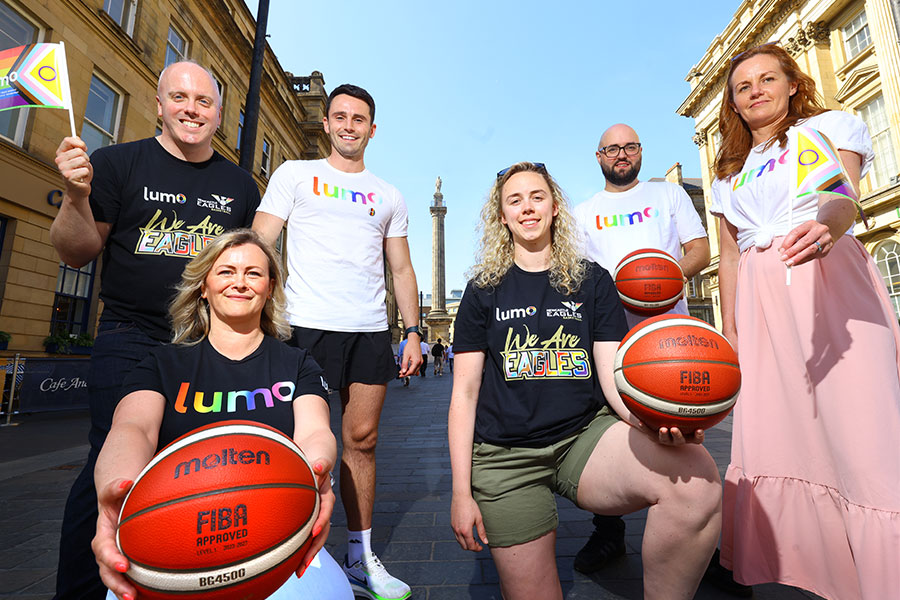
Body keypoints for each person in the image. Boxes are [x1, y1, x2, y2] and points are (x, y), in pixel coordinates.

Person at [449, 162, 722, 600]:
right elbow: (464, 394)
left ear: (555, 207)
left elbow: (612, 374)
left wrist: (648, 423)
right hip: (505, 456)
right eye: (514, 200)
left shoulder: (592, 280)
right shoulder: (483, 289)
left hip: (582, 437)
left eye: (537, 196)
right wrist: (461, 492)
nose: (527, 208)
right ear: (501, 216)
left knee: (697, 477)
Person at [50, 60, 261, 600]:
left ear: (218, 114)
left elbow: (250, 271)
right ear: (159, 104)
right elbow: (76, 250)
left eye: (204, 101)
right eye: (180, 98)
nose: (192, 109)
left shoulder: (239, 184)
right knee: (113, 468)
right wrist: (76, 195)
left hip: (205, 347)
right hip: (132, 338)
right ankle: (80, 589)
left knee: (199, 471)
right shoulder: (117, 163)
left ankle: (181, 581)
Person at [710, 43, 900, 600]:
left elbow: (843, 196)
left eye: (768, 79)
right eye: (743, 88)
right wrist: (733, 332)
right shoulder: (728, 174)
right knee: (782, 435)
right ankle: (818, 570)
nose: (756, 92)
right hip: (761, 306)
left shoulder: (825, 129)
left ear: (793, 84)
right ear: (735, 105)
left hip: (826, 285)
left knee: (862, 431)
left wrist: (829, 228)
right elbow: (730, 257)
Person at [91, 229, 351, 600]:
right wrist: (115, 490)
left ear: (270, 287)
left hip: (276, 538)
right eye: (226, 271)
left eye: (254, 273)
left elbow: (314, 430)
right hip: (172, 541)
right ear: (203, 285)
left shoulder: (297, 363)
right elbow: (133, 428)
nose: (240, 283)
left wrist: (317, 468)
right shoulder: (162, 363)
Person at [252, 84, 421, 600]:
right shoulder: (295, 175)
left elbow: (401, 267)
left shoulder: (389, 194)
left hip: (369, 329)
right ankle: (290, 548)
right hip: (304, 325)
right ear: (326, 124)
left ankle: (359, 554)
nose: (350, 125)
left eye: (360, 118)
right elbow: (260, 239)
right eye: (340, 116)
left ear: (373, 129)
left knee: (362, 441)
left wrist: (412, 331)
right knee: (299, 440)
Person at [571, 124, 711, 573]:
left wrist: (664, 280)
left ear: (640, 151)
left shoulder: (669, 196)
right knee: (611, 423)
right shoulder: (583, 212)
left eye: (629, 146)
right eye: (611, 148)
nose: (621, 154)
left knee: (684, 424)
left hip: (670, 332)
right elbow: (574, 272)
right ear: (598, 157)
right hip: (610, 333)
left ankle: (693, 524)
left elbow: (700, 250)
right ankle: (609, 532)